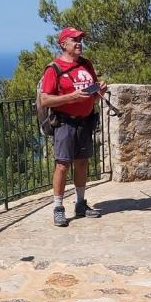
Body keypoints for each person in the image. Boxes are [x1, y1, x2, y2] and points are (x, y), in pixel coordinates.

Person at [38, 27, 107, 227]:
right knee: (62, 164)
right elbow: (45, 99)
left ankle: (81, 204)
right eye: (74, 40)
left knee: (82, 162)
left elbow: (92, 92)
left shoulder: (86, 65)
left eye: (80, 40)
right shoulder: (54, 68)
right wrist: (72, 97)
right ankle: (58, 208)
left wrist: (99, 90)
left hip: (85, 121)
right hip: (65, 122)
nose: (79, 43)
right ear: (63, 44)